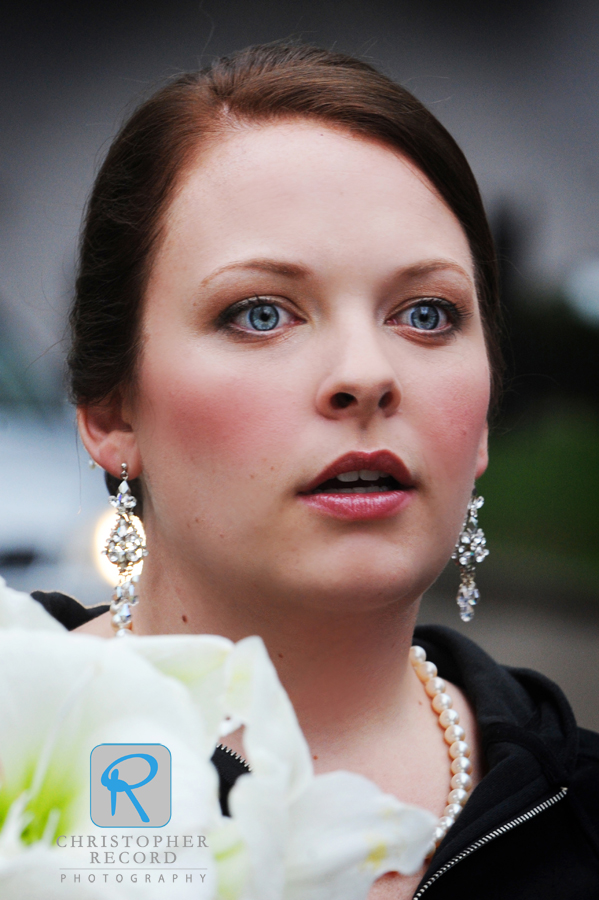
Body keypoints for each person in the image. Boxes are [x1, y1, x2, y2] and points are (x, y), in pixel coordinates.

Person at [33, 44, 599, 898]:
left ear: (482, 416)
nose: (366, 375)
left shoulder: (576, 812)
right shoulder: (21, 740)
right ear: (113, 412)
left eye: (425, 313)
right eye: (260, 313)